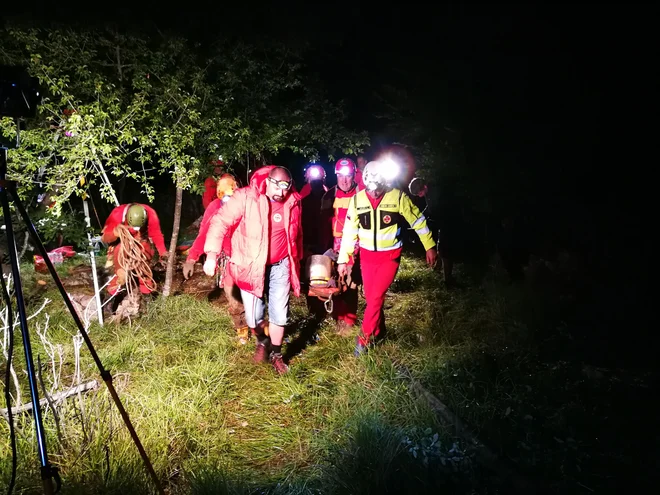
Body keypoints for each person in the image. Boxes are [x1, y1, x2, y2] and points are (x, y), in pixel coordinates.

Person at [203, 166, 303, 375]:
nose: (282, 192)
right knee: (252, 317)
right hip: (251, 264)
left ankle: (276, 354)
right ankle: (262, 339)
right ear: (268, 181)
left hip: (280, 264)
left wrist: (298, 260)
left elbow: (296, 233)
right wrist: (211, 255)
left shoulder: (293, 201)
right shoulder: (245, 197)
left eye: (286, 187)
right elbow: (220, 222)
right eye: (278, 186)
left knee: (279, 314)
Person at [337, 161, 437, 356]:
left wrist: (429, 245)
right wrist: (343, 259)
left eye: (378, 188)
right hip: (366, 257)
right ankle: (380, 332)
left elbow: (417, 220)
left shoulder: (397, 197)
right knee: (372, 298)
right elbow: (349, 232)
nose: (375, 193)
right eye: (371, 189)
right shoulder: (357, 201)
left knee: (375, 299)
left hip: (390, 256)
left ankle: (363, 340)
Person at [182, 174, 248, 340]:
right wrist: (192, 258)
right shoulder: (214, 208)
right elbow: (205, 233)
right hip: (227, 260)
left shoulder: (247, 205)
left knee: (252, 295)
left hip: (247, 257)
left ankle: (257, 326)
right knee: (232, 296)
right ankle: (242, 330)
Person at [319, 158, 363, 335]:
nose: (345, 180)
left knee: (351, 283)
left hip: (356, 246)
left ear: (354, 176)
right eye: (341, 176)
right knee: (335, 283)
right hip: (334, 246)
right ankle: (338, 318)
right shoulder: (329, 196)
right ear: (336, 176)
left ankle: (349, 320)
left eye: (348, 176)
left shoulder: (361, 195)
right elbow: (323, 225)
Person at [101, 203, 167, 297]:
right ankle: (114, 291)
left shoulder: (151, 213)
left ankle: (146, 291)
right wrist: (115, 232)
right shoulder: (117, 214)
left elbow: (156, 234)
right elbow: (105, 238)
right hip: (121, 243)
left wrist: (163, 252)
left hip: (141, 242)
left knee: (144, 263)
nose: (137, 229)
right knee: (119, 256)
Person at [300, 163, 332, 257]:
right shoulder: (304, 198)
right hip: (309, 243)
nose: (316, 184)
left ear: (323, 181)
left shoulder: (330, 197)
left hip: (327, 242)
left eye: (318, 181)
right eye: (314, 182)